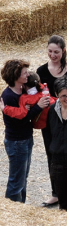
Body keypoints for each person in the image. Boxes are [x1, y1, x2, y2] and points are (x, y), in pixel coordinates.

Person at [0, 59, 49, 204]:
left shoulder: (23, 90)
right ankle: (12, 207)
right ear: (16, 76)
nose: (28, 74)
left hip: (26, 138)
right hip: (16, 141)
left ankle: (21, 205)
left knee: (23, 177)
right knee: (16, 181)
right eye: (24, 73)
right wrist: (38, 107)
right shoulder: (9, 96)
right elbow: (19, 119)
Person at [37, 36, 67, 207]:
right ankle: (56, 192)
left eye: (56, 52)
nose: (53, 55)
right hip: (50, 118)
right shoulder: (41, 71)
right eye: (50, 51)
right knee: (52, 154)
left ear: (63, 51)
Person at [44, 77, 67, 211]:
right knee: (63, 202)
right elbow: (48, 134)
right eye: (64, 96)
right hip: (58, 162)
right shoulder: (52, 110)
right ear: (57, 95)